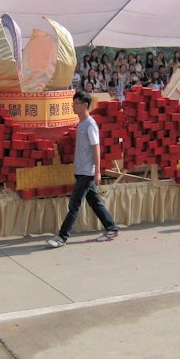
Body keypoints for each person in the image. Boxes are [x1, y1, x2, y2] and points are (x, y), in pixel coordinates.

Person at [47, 90, 119, 247]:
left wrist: (97, 171)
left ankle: (62, 237)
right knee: (94, 202)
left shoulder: (90, 124)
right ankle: (111, 227)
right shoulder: (81, 124)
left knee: (74, 205)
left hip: (87, 172)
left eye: (76, 103)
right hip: (81, 171)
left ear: (85, 105)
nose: (73, 106)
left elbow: (96, 148)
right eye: (73, 103)